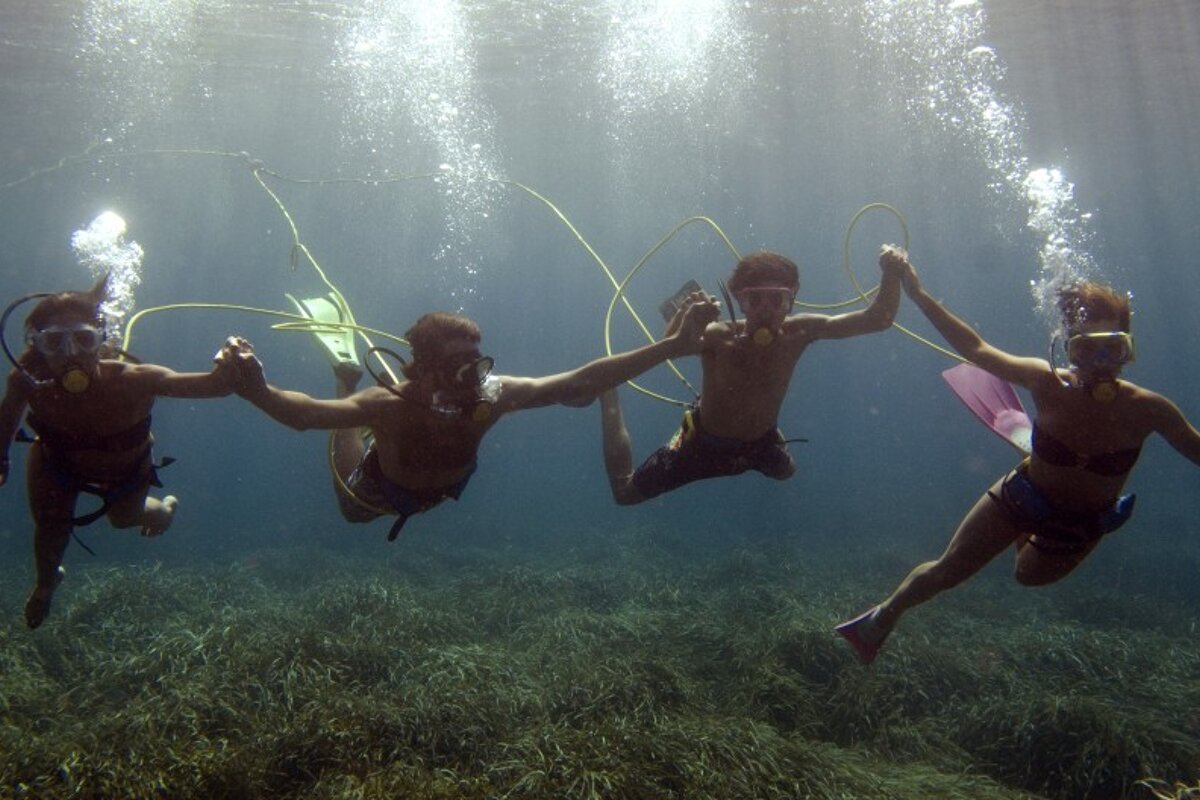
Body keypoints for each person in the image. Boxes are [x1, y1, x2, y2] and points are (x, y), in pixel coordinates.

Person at [836, 252, 1200, 664]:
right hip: (1024, 493)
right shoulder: (1045, 382)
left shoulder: (1150, 409)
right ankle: (880, 620)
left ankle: (1033, 477)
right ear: (1067, 350)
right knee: (949, 570)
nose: (1099, 365)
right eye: (1085, 350)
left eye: (1112, 350)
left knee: (1027, 577)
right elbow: (975, 349)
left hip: (1081, 523)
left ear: (1128, 351)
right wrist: (916, 292)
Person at [219, 296, 719, 540]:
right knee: (352, 514)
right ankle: (346, 376)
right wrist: (256, 390)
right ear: (423, 370)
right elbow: (308, 416)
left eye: (478, 362)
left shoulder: (492, 394)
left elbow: (578, 383)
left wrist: (672, 346)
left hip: (446, 487)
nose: (473, 377)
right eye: (460, 367)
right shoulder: (390, 404)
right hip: (382, 489)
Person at [0, 277, 240, 629]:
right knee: (50, 527)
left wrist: (230, 366)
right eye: (54, 342)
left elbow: (212, 387)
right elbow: (8, 415)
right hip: (56, 461)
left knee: (124, 519)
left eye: (83, 339)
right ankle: (46, 585)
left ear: (100, 340)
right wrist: (2, 456)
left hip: (126, 470)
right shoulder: (26, 380)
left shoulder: (132, 378)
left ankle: (166, 509)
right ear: (38, 346)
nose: (71, 354)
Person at [599, 246, 904, 504]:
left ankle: (767, 432)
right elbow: (674, 349)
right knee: (625, 493)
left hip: (760, 442)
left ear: (792, 298)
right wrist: (686, 320)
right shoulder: (719, 335)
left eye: (778, 300)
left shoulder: (799, 331)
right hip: (702, 443)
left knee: (788, 473)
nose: (766, 310)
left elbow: (878, 319)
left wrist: (892, 271)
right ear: (739, 301)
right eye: (754, 300)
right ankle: (606, 392)